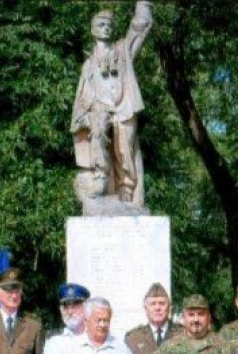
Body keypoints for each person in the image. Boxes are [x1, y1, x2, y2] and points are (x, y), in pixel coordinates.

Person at [71, 2, 153, 206]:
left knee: (124, 150)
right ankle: (101, 177)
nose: (106, 28)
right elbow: (81, 95)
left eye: (109, 25)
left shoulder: (122, 49)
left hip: (124, 107)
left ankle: (127, 188)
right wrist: (81, 116)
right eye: (101, 25)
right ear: (93, 30)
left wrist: (143, 7)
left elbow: (138, 30)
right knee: (98, 130)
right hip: (100, 109)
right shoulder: (89, 64)